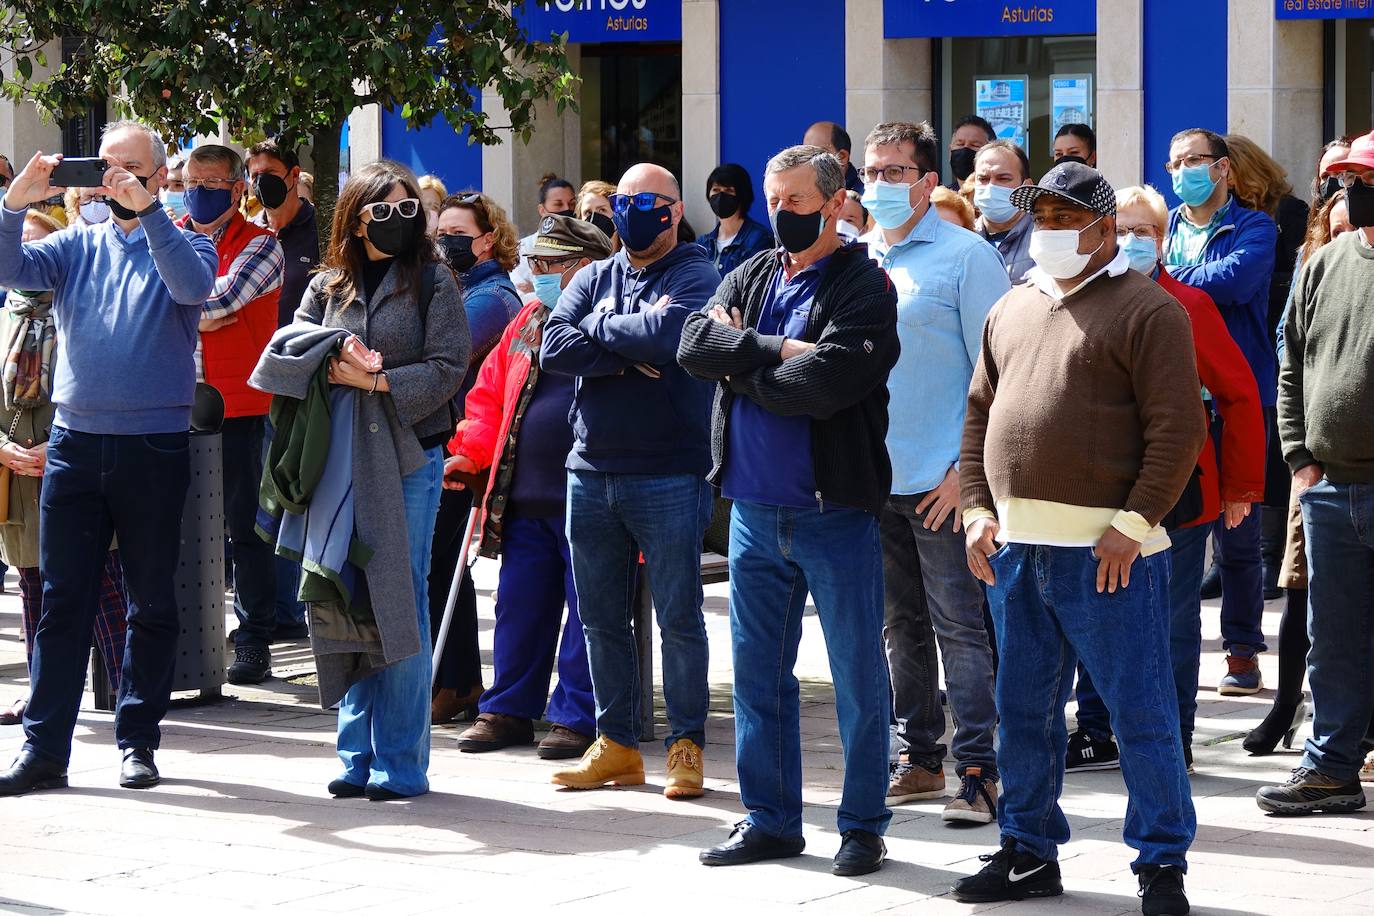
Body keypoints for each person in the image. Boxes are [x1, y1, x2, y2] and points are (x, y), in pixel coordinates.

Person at [952, 161, 1204, 913]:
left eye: (1066, 219)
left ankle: (1162, 864)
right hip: (1016, 550)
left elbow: (1178, 428)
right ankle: (1028, 851)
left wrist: (1134, 523)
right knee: (1024, 712)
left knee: (1140, 714)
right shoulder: (1014, 305)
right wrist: (974, 508)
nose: (1051, 230)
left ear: (1102, 229)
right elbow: (977, 415)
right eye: (1044, 217)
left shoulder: (1147, 309)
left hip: (1107, 555)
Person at [679, 144, 899, 875]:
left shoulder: (866, 288)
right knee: (757, 677)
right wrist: (773, 347)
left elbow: (825, 386)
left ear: (837, 202)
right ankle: (770, 819)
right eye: (775, 200)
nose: (781, 214)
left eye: (797, 202)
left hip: (832, 513)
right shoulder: (752, 271)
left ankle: (863, 825)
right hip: (750, 512)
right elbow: (692, 345)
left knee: (858, 678)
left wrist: (743, 370)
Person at [0, 121, 219, 796]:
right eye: (108, 166)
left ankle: (138, 741)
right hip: (75, 441)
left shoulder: (187, 243)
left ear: (159, 176)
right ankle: (45, 750)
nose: (116, 178)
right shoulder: (75, 246)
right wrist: (13, 205)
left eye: (132, 168)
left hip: (152, 445)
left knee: (151, 599)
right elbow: (11, 270)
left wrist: (150, 213)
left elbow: (189, 290)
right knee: (63, 601)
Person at [254, 159, 469, 800]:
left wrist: (376, 381)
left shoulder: (434, 278)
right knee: (344, 595)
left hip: (410, 459)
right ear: (355, 218)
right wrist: (331, 358)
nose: (401, 220)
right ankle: (354, 755)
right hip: (341, 460)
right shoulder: (327, 284)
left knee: (400, 598)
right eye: (386, 210)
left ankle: (400, 763)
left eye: (411, 209)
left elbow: (449, 366)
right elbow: (287, 352)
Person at [1069, 185, 1265, 775]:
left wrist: (1241, 488)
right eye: (1119, 228)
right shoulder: (1081, 298)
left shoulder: (1188, 305)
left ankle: (1173, 736)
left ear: (1164, 240)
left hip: (1180, 493)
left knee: (1171, 618)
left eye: (1143, 232)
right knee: (1094, 611)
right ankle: (1097, 730)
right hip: (1094, 492)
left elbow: (1239, 396)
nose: (1130, 241)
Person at [539, 162, 720, 799]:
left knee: (678, 617)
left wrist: (602, 337)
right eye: (621, 199)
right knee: (599, 619)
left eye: (644, 201)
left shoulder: (698, 272)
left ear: (672, 209)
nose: (629, 211)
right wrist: (627, 350)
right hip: (589, 472)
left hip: (669, 471)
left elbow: (673, 335)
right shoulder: (591, 274)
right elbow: (553, 347)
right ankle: (615, 745)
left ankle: (685, 745)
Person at [856, 121, 1010, 825]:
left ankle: (977, 770)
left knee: (960, 629)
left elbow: (1002, 373)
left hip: (944, 482)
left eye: (894, 172)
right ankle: (918, 757)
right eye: (870, 171)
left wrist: (967, 473)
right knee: (897, 629)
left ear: (926, 182)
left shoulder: (966, 256)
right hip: (871, 481)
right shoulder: (857, 257)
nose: (879, 185)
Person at [445, 214, 610, 760]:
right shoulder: (528, 322)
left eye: (549, 264)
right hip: (523, 497)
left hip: (592, 498)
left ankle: (576, 716)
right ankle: (508, 709)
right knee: (519, 606)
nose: (535, 272)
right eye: (533, 262)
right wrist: (469, 452)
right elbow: (489, 396)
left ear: (585, 267)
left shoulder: (611, 317)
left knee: (588, 614)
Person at [1258, 132, 1374, 816]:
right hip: (1330, 488)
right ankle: (1330, 769)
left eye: (1362, 178)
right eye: (1347, 178)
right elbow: (1292, 365)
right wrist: (1299, 454)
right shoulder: (1324, 263)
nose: (1349, 191)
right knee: (1332, 640)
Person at [0, 211, 130, 730]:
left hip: (77, 460)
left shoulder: (84, 311)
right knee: (33, 587)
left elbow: (107, 384)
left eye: (39, 246)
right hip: (17, 477)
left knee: (105, 585)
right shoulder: (5, 317)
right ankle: (43, 695)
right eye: (20, 247)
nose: (27, 258)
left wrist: (62, 445)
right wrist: (4, 451)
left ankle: (131, 695)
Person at [1164, 128, 1278, 697]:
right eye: (1176, 162)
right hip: (1177, 400)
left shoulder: (1254, 227)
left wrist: (1168, 282)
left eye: (1196, 160)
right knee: (1181, 531)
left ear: (1224, 169)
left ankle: (1241, 651)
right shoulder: (1166, 228)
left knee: (1239, 534)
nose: (1185, 170)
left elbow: (1234, 282)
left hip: (1237, 394)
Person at [1246, 186, 1357, 757]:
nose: (1346, 238)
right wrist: (1300, 456)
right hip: (1317, 475)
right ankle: (1295, 715)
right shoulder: (1314, 273)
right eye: (1333, 231)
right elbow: (1289, 365)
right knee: (1307, 605)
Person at [180, 144, 283, 686]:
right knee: (175, 525)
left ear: (239, 188)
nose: (199, 189)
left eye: (213, 181)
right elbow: (169, 300)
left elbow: (219, 302)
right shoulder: (168, 232)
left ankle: (253, 638)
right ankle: (188, 635)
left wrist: (184, 308)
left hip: (239, 406)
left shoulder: (262, 244)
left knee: (245, 528)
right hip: (173, 402)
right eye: (192, 179)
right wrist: (196, 307)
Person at [428, 191, 524, 724]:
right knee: (439, 566)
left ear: (487, 240)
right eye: (440, 233)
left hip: (469, 447)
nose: (446, 243)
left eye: (457, 234)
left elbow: (441, 353)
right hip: (450, 441)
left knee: (446, 565)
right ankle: (456, 679)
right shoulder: (458, 288)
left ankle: (460, 680)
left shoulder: (492, 298)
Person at [1224, 134, 1311, 601]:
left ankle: (1267, 554)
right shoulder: (1221, 220)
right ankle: (1232, 559)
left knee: (1276, 453)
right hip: (1243, 340)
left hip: (1276, 342)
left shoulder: (1290, 214)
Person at [246, 138, 319, 642]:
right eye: (252, 174)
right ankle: (272, 609)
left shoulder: (323, 234)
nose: (259, 183)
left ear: (294, 175)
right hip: (251, 384)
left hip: (302, 386)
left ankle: (289, 611)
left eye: (268, 173)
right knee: (259, 500)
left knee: (290, 496)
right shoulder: (254, 235)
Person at [972, 140, 1035, 283]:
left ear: (1027, 186)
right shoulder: (964, 236)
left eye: (1003, 178)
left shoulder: (1043, 237)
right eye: (983, 179)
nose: (991, 187)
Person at [697, 162, 771, 275]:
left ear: (742, 195)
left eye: (729, 191)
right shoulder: (703, 243)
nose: (721, 197)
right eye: (716, 190)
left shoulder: (760, 240)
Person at [511, 174, 576, 299]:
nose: (567, 209)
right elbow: (520, 295)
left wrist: (536, 289)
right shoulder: (522, 248)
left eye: (572, 204)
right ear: (542, 210)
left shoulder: (585, 246)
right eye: (558, 204)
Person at [803, 121, 865, 193]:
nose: (808, 162)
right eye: (805, 154)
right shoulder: (801, 192)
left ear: (842, 157)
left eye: (816, 154)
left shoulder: (864, 198)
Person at [947, 115, 996, 190]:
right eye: (960, 144)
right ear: (950, 152)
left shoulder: (1002, 198)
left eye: (975, 145)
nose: (965, 149)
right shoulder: (937, 200)